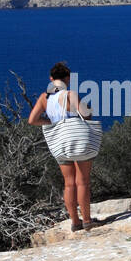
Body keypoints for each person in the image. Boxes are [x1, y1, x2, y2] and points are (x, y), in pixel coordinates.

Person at [28, 62, 101, 232]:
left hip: (60, 143)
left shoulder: (43, 98)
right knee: (82, 181)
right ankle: (88, 221)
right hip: (78, 140)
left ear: (51, 79)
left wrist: (52, 122)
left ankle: (75, 222)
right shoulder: (70, 94)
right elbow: (86, 114)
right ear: (68, 78)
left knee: (69, 184)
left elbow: (32, 120)